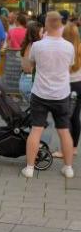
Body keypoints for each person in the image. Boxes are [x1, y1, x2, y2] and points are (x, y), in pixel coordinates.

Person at [21, 11, 75, 179]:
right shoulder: (69, 46)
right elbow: (69, 66)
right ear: (61, 25)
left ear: (45, 25)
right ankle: (68, 168)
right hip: (61, 94)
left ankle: (29, 168)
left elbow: (29, 65)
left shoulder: (38, 46)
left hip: (40, 93)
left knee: (36, 130)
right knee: (64, 131)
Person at [53, 22, 81, 159]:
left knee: (65, 119)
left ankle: (65, 150)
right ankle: (74, 148)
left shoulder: (63, 49)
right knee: (75, 117)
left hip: (67, 85)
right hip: (79, 84)